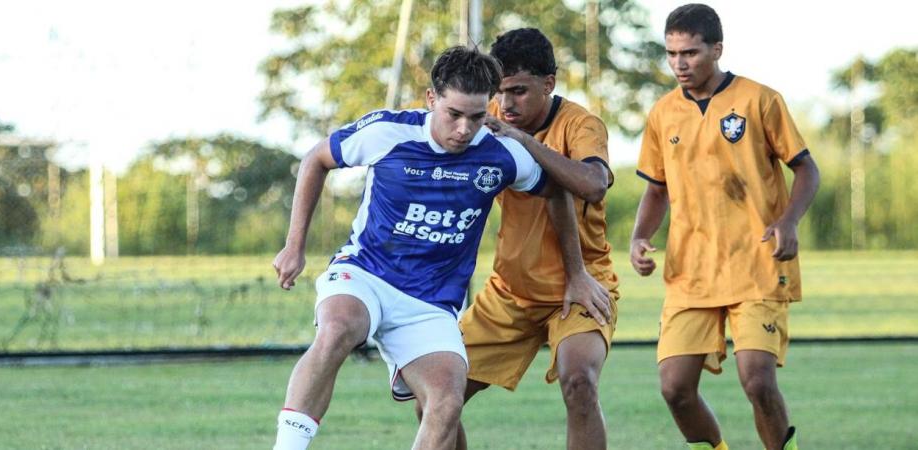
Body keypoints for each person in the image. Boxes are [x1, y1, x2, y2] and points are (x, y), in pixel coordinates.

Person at [270, 46, 561, 450]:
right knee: (337, 329)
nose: (464, 129)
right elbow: (316, 159)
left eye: (477, 117)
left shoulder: (504, 154)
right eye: (454, 114)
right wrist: (293, 246)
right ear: (431, 99)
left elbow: (557, 192)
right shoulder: (387, 132)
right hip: (367, 273)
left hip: (430, 304)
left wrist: (578, 273)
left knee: (445, 401)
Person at [630, 4, 820, 450]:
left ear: (717, 49)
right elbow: (657, 189)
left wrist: (788, 221)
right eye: (672, 53)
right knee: (675, 389)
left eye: (690, 53)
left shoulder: (759, 99)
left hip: (756, 261)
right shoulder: (663, 113)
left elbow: (807, 170)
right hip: (691, 270)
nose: (680, 63)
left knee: (756, 379)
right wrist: (640, 236)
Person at [451, 28, 619, 449]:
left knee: (579, 382)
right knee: (436, 396)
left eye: (519, 91)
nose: (506, 104)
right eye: (500, 91)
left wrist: (525, 142)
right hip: (510, 292)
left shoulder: (580, 124)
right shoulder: (482, 118)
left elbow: (594, 184)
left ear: (550, 83)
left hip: (580, 287)